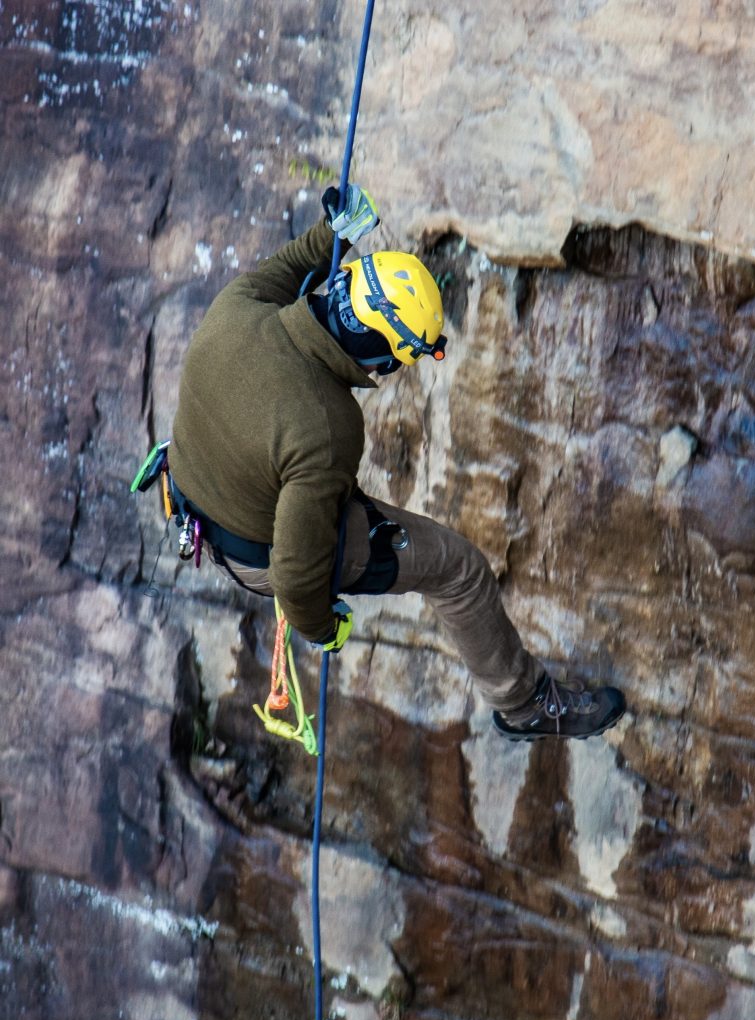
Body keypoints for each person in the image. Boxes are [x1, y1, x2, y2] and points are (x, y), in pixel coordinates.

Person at [165, 184, 626, 740]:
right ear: (381, 356)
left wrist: (335, 233)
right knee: (460, 571)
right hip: (257, 549)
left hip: (197, 486)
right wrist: (320, 625)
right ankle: (525, 704)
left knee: (310, 489)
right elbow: (293, 572)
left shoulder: (237, 308)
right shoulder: (327, 426)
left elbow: (288, 265)